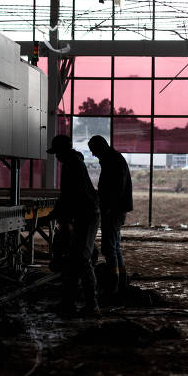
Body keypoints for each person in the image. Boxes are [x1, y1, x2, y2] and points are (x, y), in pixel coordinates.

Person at [47, 134, 101, 316]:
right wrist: (60, 214)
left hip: (86, 216)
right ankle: (68, 303)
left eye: (57, 153)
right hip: (83, 215)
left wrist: (60, 215)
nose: (56, 157)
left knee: (82, 259)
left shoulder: (72, 165)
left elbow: (70, 196)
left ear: (63, 151)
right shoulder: (72, 163)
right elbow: (68, 196)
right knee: (75, 260)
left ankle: (92, 305)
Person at [87, 135, 133, 295]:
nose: (93, 154)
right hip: (116, 209)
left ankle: (113, 286)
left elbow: (116, 189)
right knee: (114, 246)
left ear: (101, 147)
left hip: (114, 210)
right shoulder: (114, 159)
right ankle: (121, 281)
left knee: (108, 248)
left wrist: (108, 208)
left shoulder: (112, 161)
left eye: (93, 150)